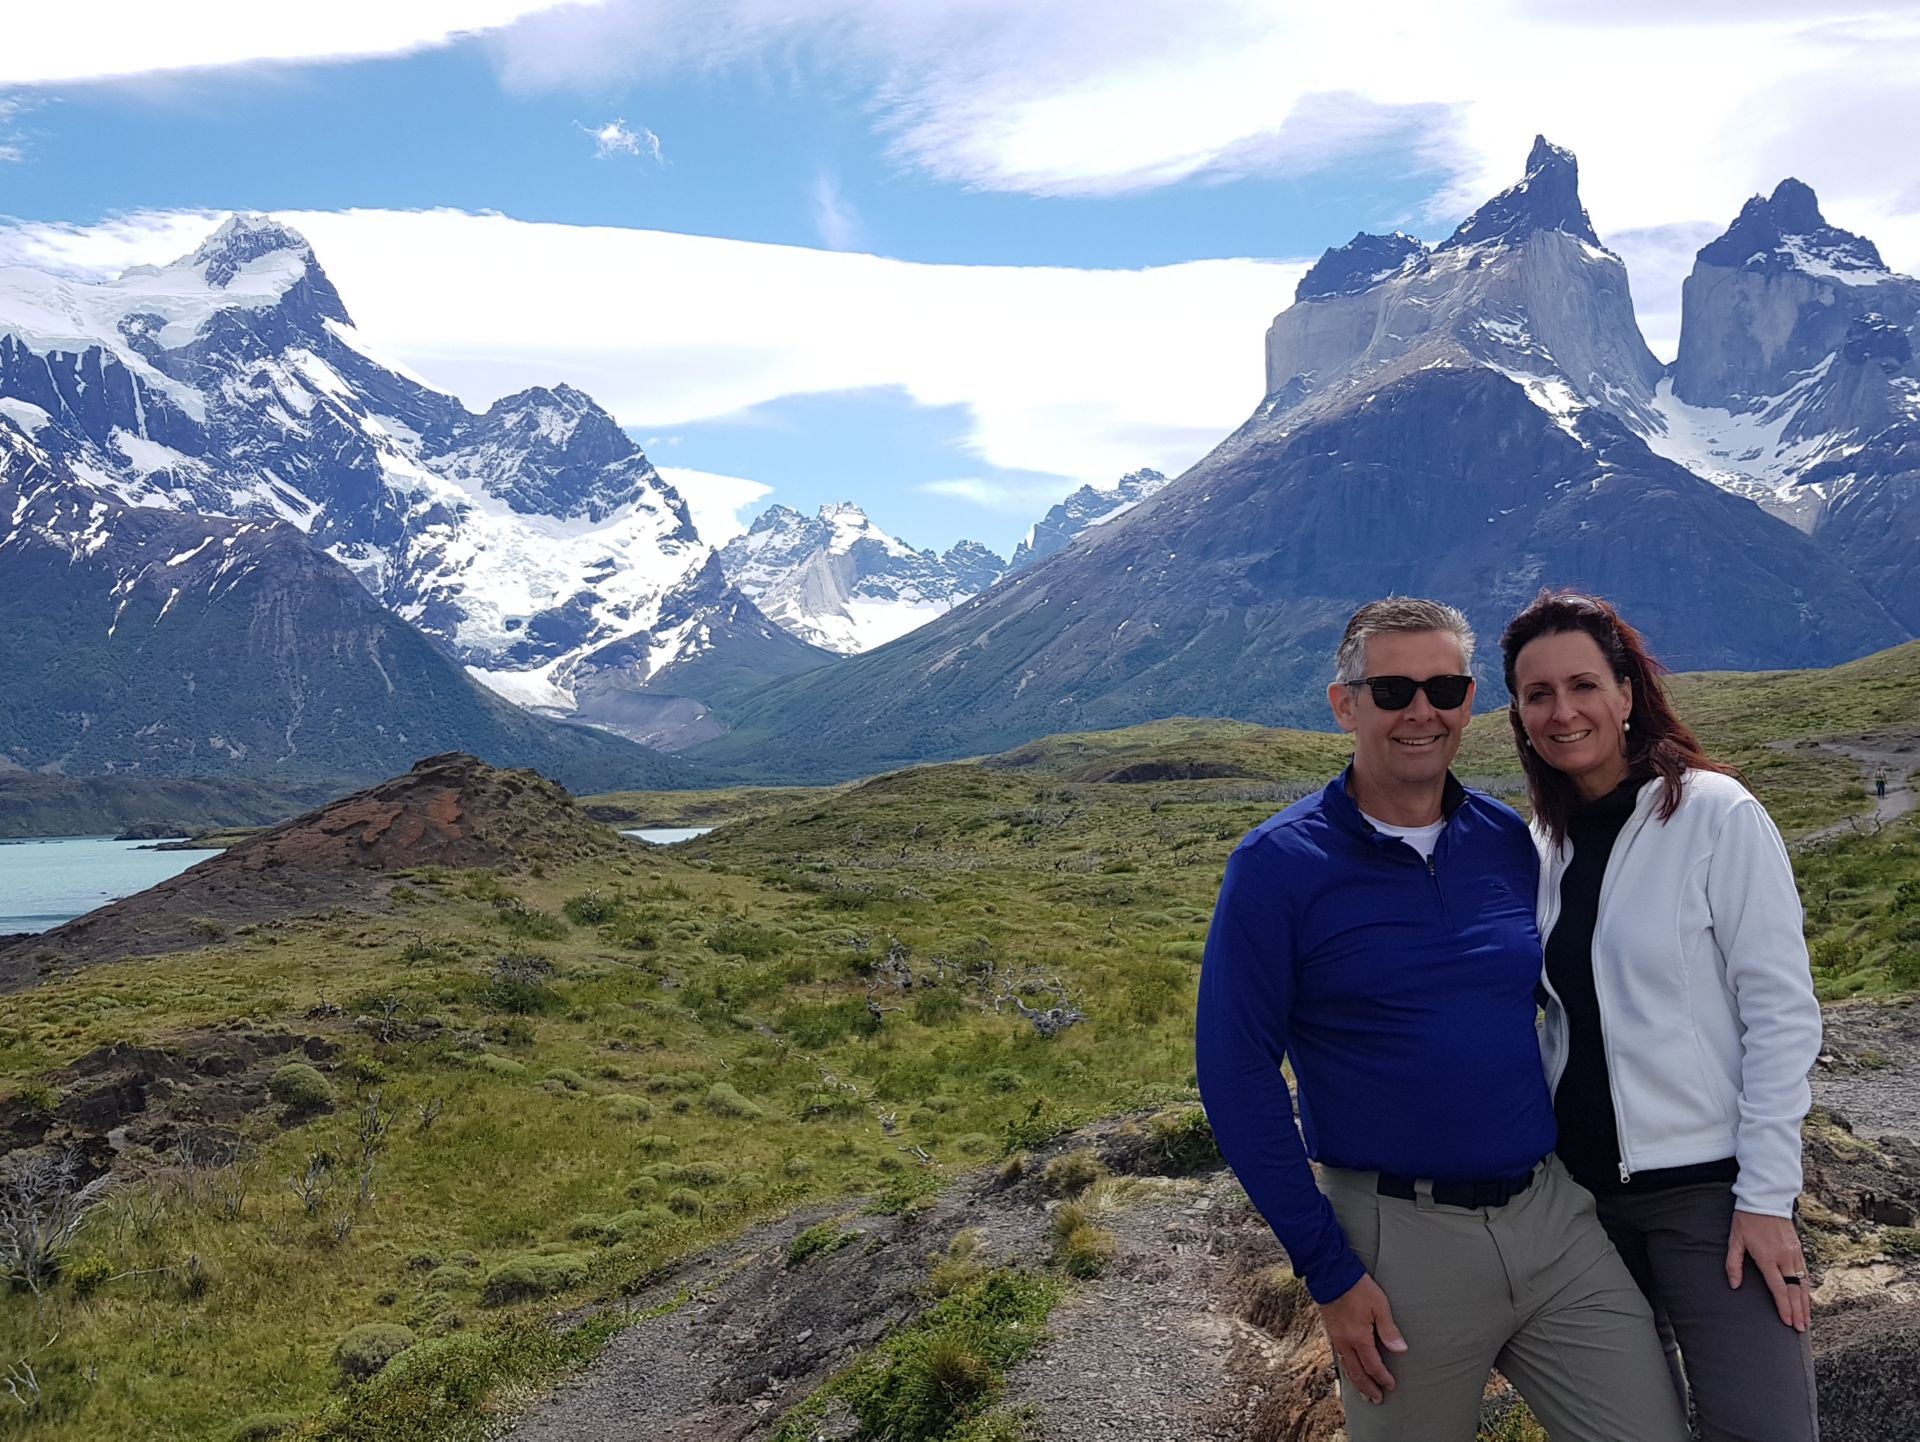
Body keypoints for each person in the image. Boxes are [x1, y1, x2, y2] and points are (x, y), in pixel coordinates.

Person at [1196, 597, 1687, 1442]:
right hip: (1397, 1246)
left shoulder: (1507, 839)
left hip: (1553, 1221)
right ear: (1345, 704)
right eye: (1391, 690)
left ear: (1469, 703)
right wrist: (1329, 1273)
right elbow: (1237, 1075)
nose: (1422, 712)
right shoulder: (1277, 867)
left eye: (1445, 688)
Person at [1501, 590, 1823, 1442]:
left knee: (1765, 1429)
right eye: (1539, 695)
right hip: (1584, 1208)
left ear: (1627, 692)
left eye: (1583, 685)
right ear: (1519, 714)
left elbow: (1782, 1014)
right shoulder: (1544, 845)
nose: (1563, 711)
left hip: (1708, 1201)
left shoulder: (1717, 814)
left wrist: (1766, 1197)